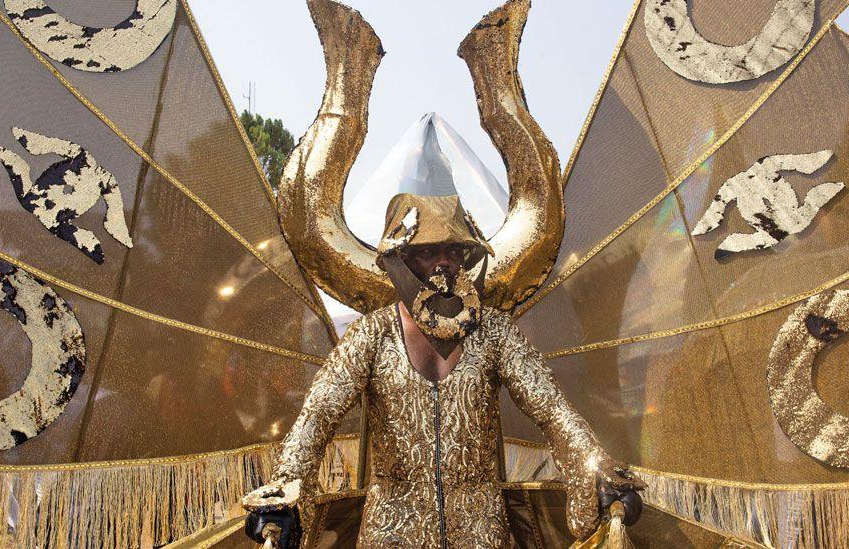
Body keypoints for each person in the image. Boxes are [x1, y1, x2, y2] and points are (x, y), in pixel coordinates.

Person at [243, 193, 644, 548]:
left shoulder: (494, 331)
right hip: (391, 532)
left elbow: (551, 409)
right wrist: (285, 490)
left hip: (481, 530)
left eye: (454, 252)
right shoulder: (372, 334)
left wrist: (596, 466)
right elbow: (317, 417)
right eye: (429, 252)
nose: (444, 264)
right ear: (400, 260)